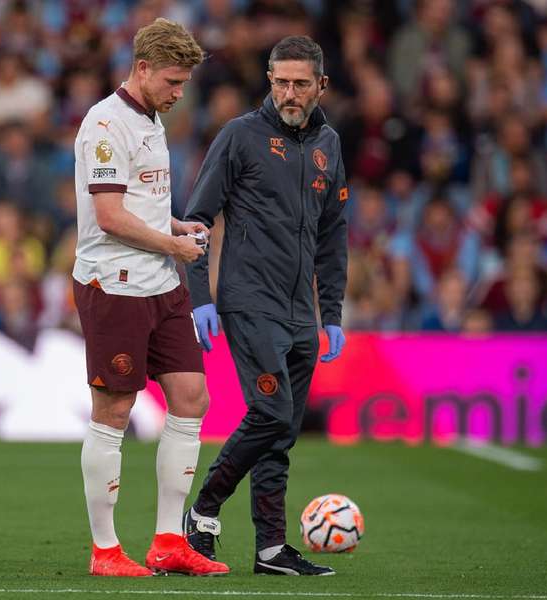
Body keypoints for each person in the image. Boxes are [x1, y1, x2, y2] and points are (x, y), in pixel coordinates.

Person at [182, 35, 348, 576]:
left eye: (301, 83)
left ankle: (272, 549)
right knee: (271, 413)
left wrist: (334, 311)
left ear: (321, 85)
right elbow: (196, 222)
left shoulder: (329, 145)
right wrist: (200, 298)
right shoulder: (240, 137)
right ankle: (204, 510)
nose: (289, 93)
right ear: (269, 81)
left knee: (282, 433)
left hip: (302, 312)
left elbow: (333, 233)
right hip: (250, 302)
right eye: (281, 82)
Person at [72, 18, 228, 577]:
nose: (178, 93)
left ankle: (168, 541)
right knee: (114, 409)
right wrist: (172, 243)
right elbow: (110, 216)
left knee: (191, 398)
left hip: (162, 282)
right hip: (114, 285)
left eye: (183, 83)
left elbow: (139, 201)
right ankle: (105, 550)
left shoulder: (151, 118)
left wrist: (175, 225)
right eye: (171, 81)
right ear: (141, 69)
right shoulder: (106, 124)